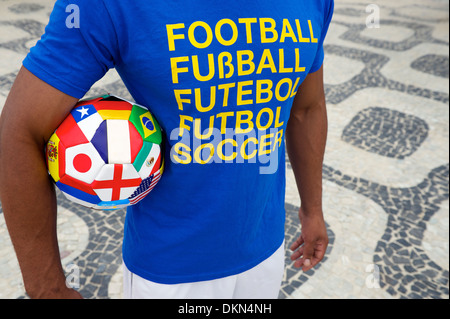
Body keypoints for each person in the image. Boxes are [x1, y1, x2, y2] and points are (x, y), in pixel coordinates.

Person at [0, 0, 333, 299]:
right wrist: (47, 289)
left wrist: (312, 210)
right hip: (169, 271)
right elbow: (20, 130)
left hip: (265, 251)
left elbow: (307, 108)